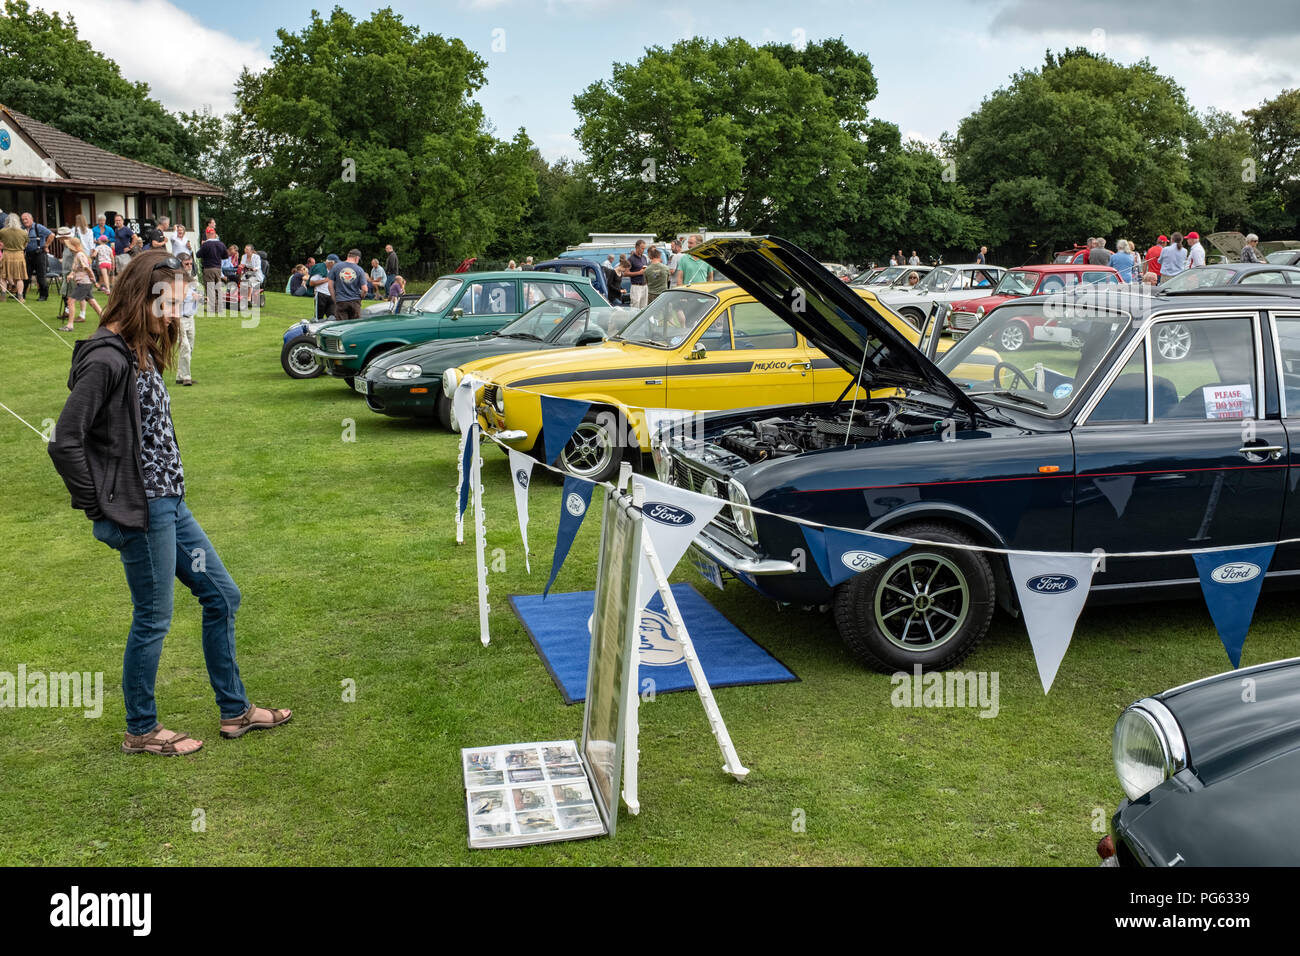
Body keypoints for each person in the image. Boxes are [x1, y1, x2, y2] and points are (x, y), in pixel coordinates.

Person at [48, 249, 291, 756]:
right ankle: (141, 730)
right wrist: (101, 507)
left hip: (171, 504)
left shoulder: (140, 348)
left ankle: (236, 712)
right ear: (144, 296)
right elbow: (65, 440)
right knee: (153, 618)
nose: (178, 313)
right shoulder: (106, 357)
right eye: (172, 303)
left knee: (222, 596)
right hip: (143, 510)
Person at [58, 236, 102, 330]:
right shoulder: (78, 254)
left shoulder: (79, 255)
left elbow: (86, 268)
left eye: (69, 246)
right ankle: (106, 320)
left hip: (84, 283)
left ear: (73, 246)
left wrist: (94, 280)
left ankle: (70, 325)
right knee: (92, 302)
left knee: (70, 301)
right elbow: (78, 268)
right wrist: (71, 274)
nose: (68, 247)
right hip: (84, 282)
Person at [328, 249, 371, 320]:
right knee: (354, 328)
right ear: (357, 258)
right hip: (355, 302)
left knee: (342, 327)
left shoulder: (336, 267)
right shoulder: (359, 269)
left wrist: (334, 298)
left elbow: (330, 285)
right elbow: (365, 289)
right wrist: (360, 298)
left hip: (341, 301)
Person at [176, 253, 199, 386]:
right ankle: (186, 377)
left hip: (190, 317)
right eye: (186, 264)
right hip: (179, 317)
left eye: (190, 264)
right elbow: (177, 297)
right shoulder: (177, 279)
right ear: (181, 265)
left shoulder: (192, 279)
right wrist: (192, 296)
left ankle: (180, 374)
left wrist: (199, 297)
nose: (189, 266)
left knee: (190, 347)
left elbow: (195, 294)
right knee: (184, 346)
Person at [21, 211, 53, 301]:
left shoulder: (38, 227)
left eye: (26, 219)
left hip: (39, 254)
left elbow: (51, 235)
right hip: (28, 254)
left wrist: (46, 245)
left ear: (31, 219)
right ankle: (21, 294)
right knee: (25, 275)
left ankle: (43, 295)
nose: (24, 221)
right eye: (23, 219)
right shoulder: (22, 229)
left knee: (41, 276)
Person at [0, 212, 30, 302]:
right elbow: (26, 244)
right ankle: (20, 297)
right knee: (19, 278)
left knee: (3, 277)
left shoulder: (2, 231)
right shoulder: (23, 232)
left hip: (6, 255)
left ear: (7, 221)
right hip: (19, 255)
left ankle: (3, 296)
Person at [197, 227, 226, 313]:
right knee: (218, 288)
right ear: (214, 234)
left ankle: (213, 308)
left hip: (208, 268)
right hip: (218, 268)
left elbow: (198, 255)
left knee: (210, 288)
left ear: (207, 234)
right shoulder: (221, 244)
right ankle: (219, 307)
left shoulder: (206, 245)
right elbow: (225, 256)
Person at [310, 254, 336, 320]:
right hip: (321, 294)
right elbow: (311, 283)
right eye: (335, 263)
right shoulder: (320, 268)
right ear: (331, 263)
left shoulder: (333, 270)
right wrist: (325, 280)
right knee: (319, 318)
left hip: (331, 295)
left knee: (332, 317)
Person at [626, 240, 649, 308]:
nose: (643, 250)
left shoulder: (644, 258)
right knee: (635, 307)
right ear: (636, 247)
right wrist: (639, 273)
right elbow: (625, 273)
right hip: (636, 286)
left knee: (644, 308)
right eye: (642, 248)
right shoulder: (630, 259)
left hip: (645, 286)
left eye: (644, 248)